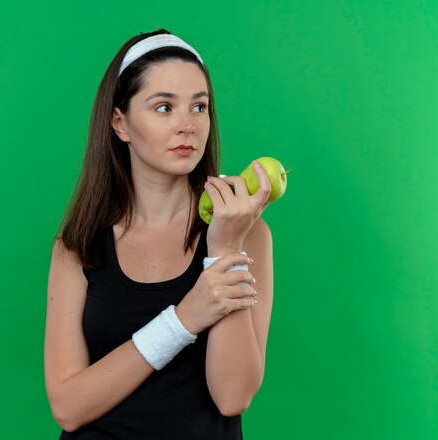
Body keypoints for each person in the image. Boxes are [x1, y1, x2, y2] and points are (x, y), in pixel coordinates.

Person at [44, 28, 274, 439]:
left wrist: (223, 250)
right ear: (121, 123)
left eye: (199, 107)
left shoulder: (245, 234)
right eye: (164, 107)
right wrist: (183, 320)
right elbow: (67, 407)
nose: (187, 125)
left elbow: (233, 397)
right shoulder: (78, 245)